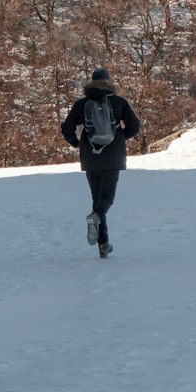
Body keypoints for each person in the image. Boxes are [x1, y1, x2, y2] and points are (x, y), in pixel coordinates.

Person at [60, 67, 140, 257]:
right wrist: (120, 137)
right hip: (113, 157)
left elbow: (67, 128)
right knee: (107, 199)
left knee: (97, 198)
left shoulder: (81, 104)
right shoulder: (118, 102)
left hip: (90, 157)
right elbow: (134, 126)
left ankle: (103, 244)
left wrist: (76, 143)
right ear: (109, 82)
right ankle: (98, 223)